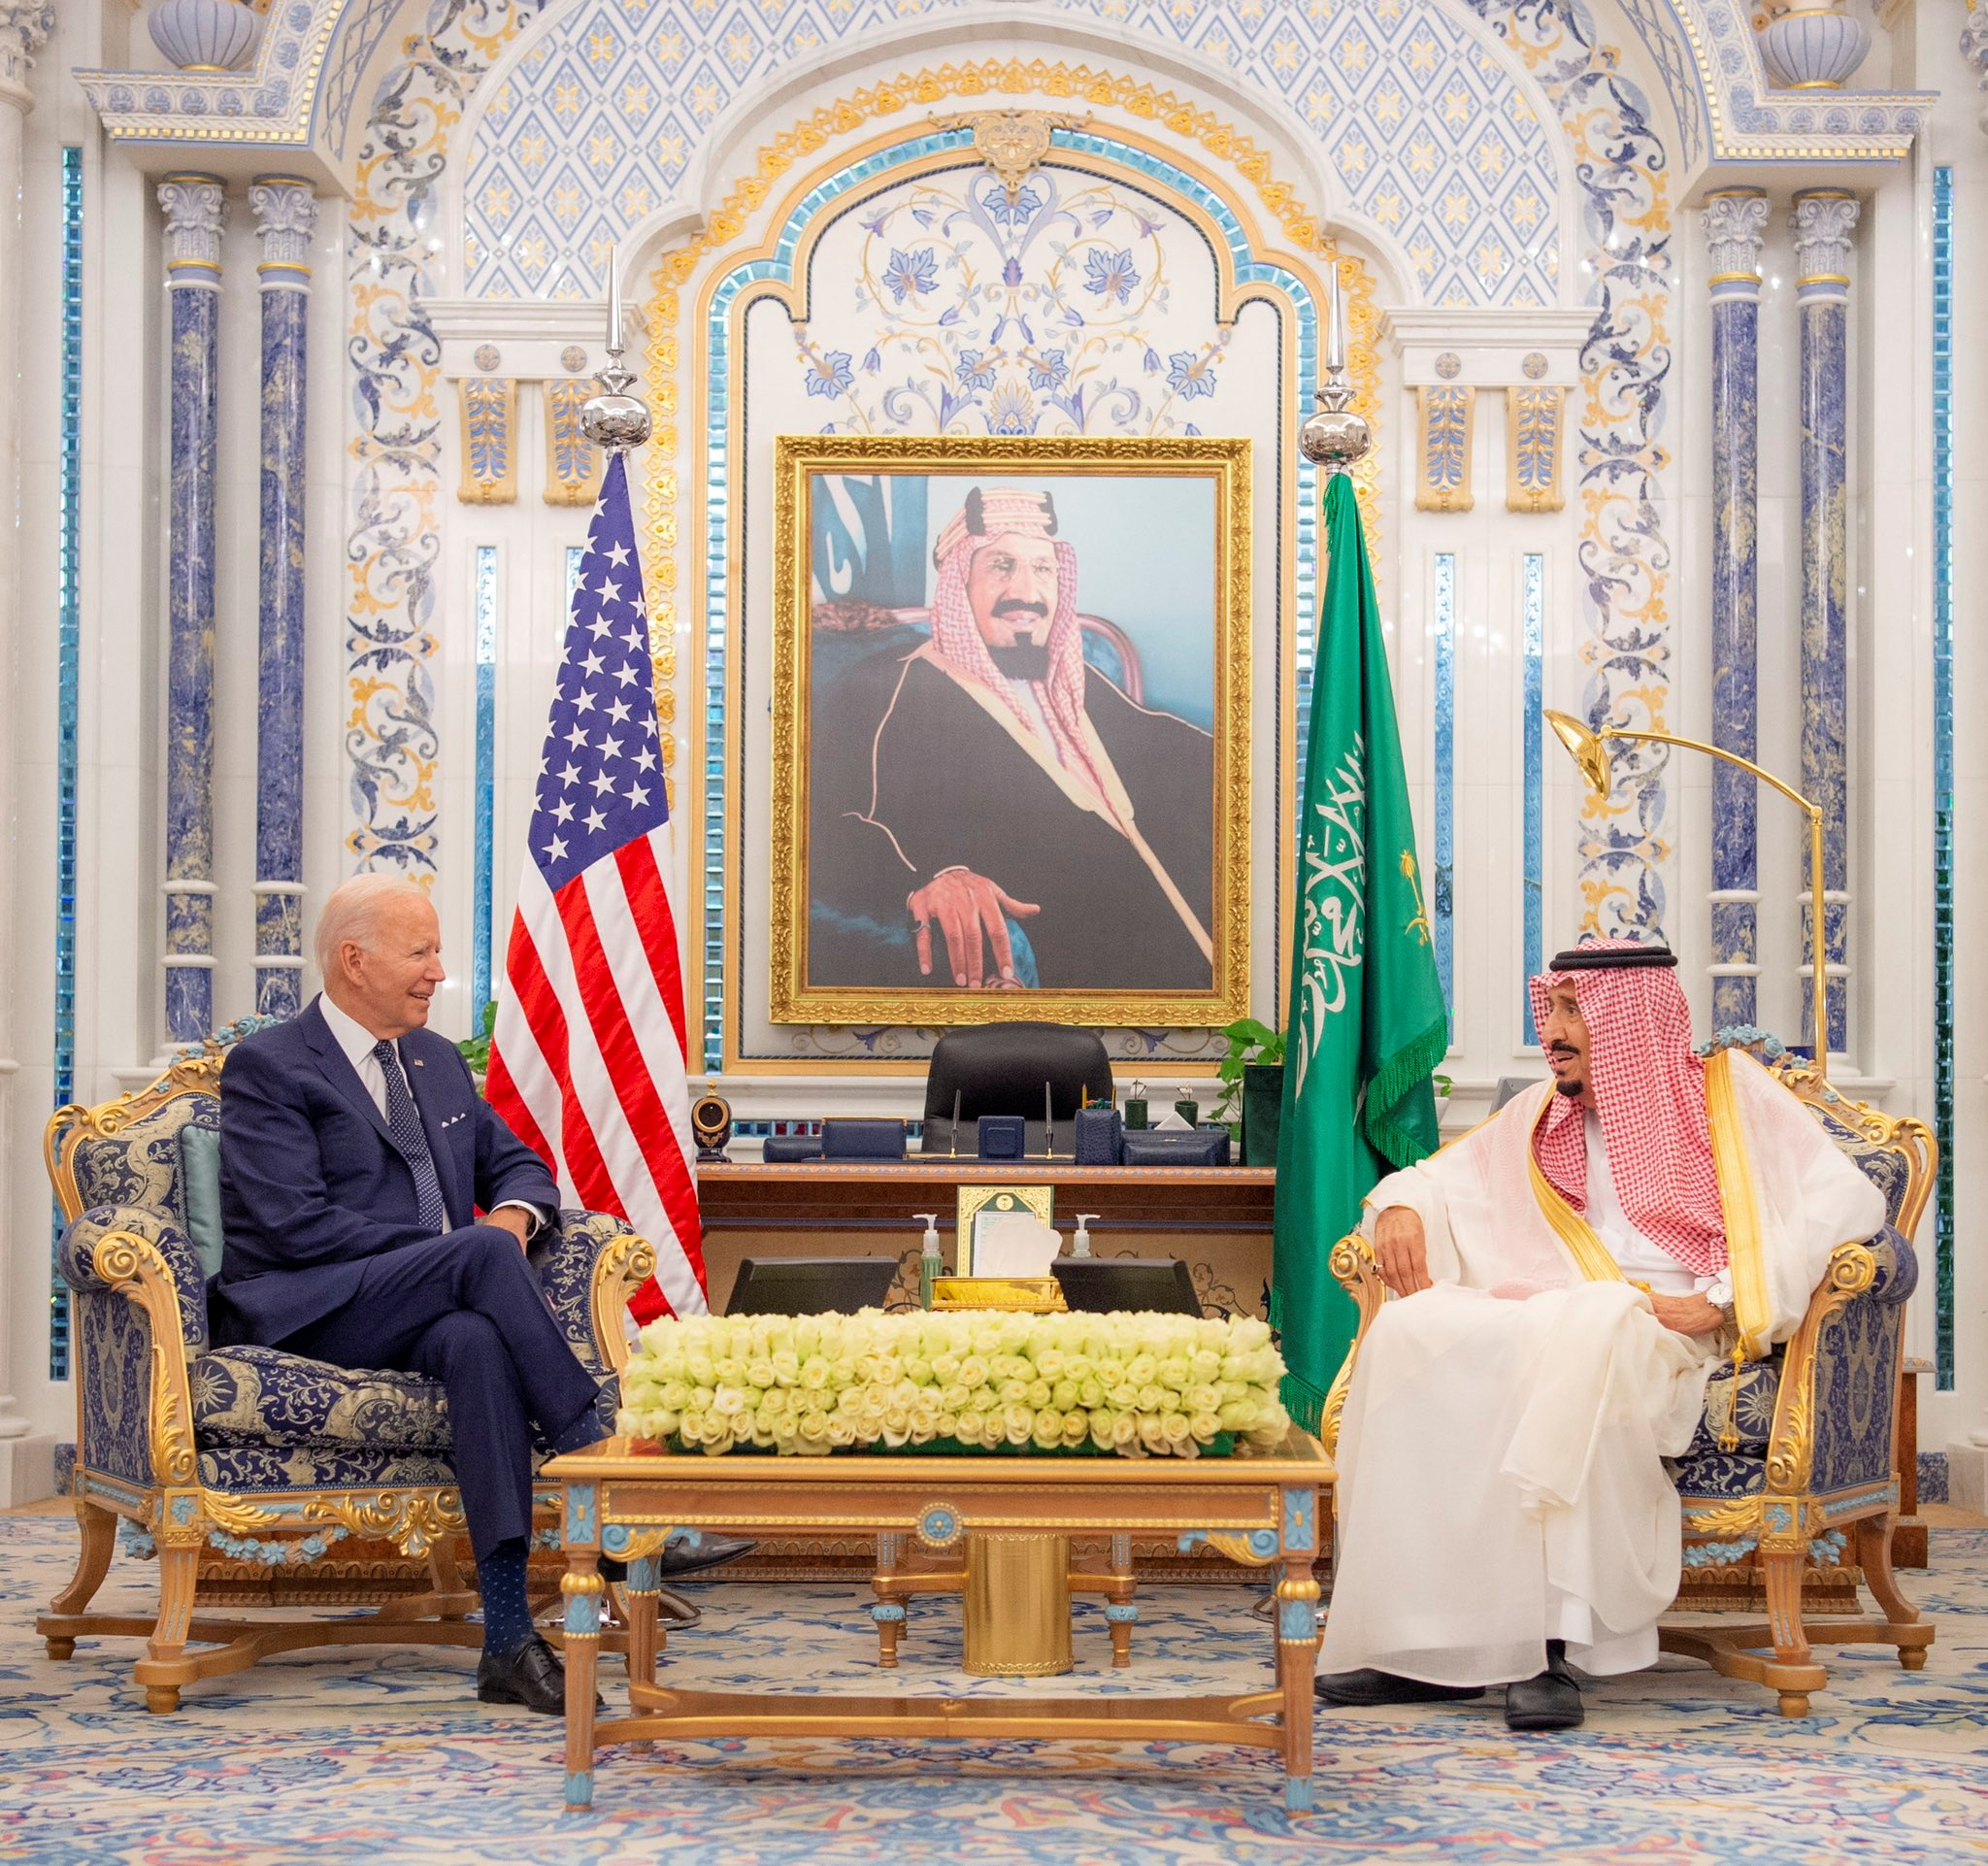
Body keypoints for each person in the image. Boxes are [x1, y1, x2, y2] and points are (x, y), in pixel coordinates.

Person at [1313, 937, 1887, 1731]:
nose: (1550, 1028)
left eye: (1572, 1010)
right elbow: (1439, 1177)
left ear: (1630, 1020)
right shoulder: (1538, 1116)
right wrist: (1401, 1207)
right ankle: (1425, 1647)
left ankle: (1546, 1645)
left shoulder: (1729, 1096)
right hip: (1552, 1314)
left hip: (1670, 1332)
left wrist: (1721, 1301)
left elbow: (1847, 1203)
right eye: (1549, 1007)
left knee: (1579, 1326)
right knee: (1413, 1328)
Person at [211, 874, 751, 1714]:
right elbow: (294, 1226)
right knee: (482, 1263)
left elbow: (523, 1169)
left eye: (438, 952)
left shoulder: (431, 1059)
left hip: (424, 1306)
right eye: (420, 952)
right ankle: (621, 1486)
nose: (438, 971)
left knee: (477, 1341)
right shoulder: (271, 1066)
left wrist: (505, 1218)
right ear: (354, 960)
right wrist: (454, 1253)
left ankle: (507, 1644)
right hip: (308, 1306)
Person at [808, 485, 1215, 992]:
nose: (1027, 591)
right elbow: (827, 823)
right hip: (1057, 966)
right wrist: (936, 877)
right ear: (960, 584)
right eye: (1002, 566)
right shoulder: (884, 688)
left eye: (1043, 569)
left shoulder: (1073, 678)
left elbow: (1162, 746)